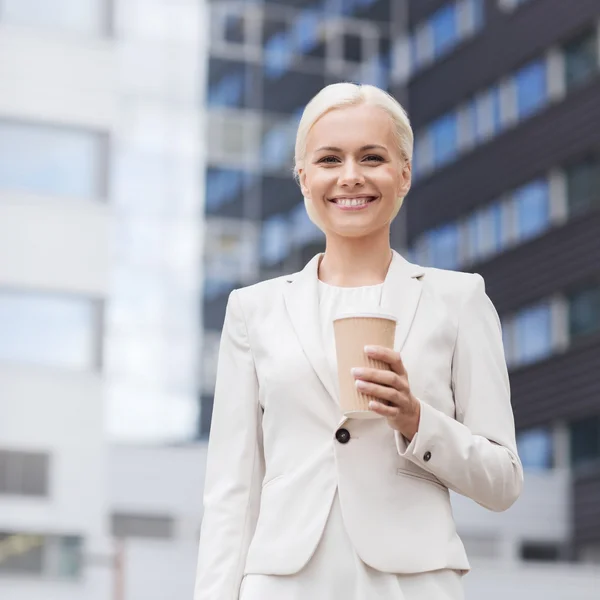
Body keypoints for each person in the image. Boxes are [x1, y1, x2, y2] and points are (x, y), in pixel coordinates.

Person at [194, 83, 523, 600]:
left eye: (372, 157)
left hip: (412, 583)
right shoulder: (252, 310)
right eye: (330, 159)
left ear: (404, 173)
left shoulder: (460, 300)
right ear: (304, 178)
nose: (351, 176)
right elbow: (231, 493)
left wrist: (416, 420)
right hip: (284, 583)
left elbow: (503, 481)